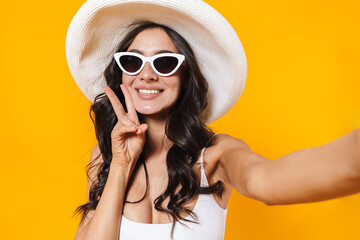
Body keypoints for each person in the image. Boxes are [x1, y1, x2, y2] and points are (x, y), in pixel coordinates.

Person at [65, 0, 360, 239]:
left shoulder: (216, 156)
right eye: (133, 61)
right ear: (122, 75)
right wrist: (120, 165)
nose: (147, 74)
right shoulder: (106, 159)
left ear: (185, 76)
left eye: (165, 62)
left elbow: (267, 181)